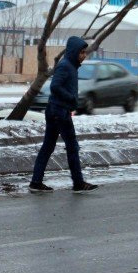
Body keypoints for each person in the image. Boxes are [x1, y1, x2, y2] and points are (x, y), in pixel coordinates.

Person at [29, 35, 99, 193]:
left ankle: (36, 182)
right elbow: (55, 87)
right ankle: (78, 183)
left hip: (57, 110)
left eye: (85, 52)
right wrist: (71, 98)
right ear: (74, 52)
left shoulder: (71, 66)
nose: (84, 55)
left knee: (48, 146)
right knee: (72, 147)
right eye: (81, 52)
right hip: (59, 111)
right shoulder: (65, 66)